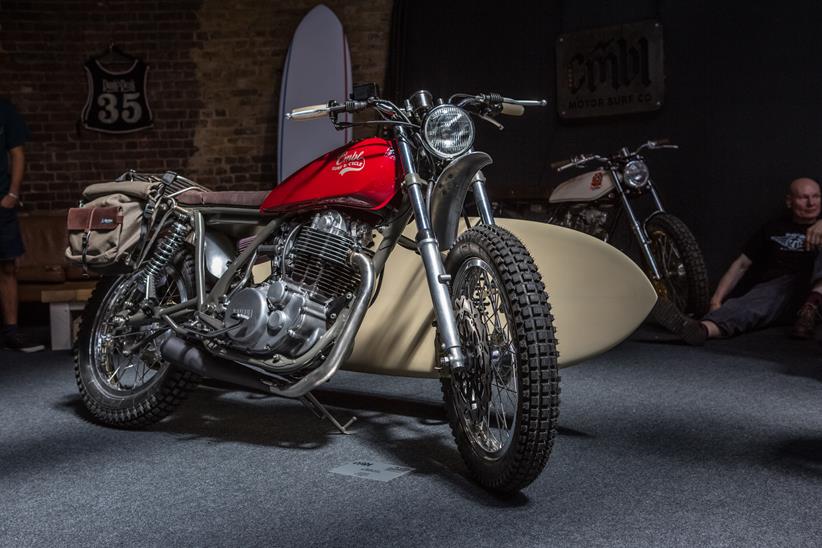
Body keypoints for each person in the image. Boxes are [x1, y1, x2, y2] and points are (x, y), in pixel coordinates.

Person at [656, 177, 822, 345]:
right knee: (752, 304)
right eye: (804, 197)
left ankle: (813, 304)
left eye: (816, 196)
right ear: (789, 201)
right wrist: (716, 301)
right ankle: (700, 329)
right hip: (781, 291)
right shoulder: (773, 229)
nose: (811, 203)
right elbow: (741, 265)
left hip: (813, 286)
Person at [0, 98, 44, 352]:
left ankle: (12, 331)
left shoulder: (5, 110)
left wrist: (12, 195)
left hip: (1, 202)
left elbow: (17, 153)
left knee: (7, 266)